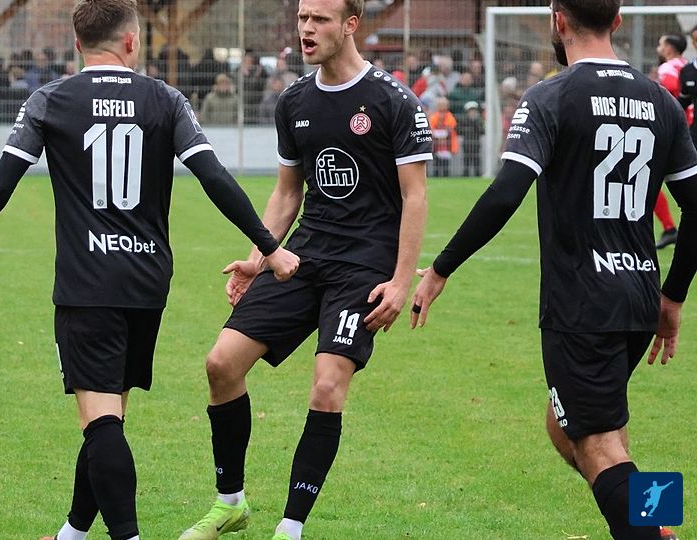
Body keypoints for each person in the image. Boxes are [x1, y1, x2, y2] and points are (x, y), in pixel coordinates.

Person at [0, 2, 300, 540]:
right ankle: (73, 532)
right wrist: (270, 248)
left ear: (78, 44)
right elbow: (214, 177)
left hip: (87, 282)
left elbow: (0, 184)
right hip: (147, 281)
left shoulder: (50, 100)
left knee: (99, 422)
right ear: (131, 42)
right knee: (107, 418)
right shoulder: (166, 100)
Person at [411, 1, 697, 539]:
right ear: (616, 21)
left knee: (598, 445)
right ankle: (654, 527)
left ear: (557, 19)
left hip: (582, 303)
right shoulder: (659, 100)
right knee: (570, 427)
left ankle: (657, 530)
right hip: (638, 294)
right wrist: (673, 295)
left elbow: (505, 194)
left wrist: (441, 268)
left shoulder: (552, 96)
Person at [179, 0, 431, 538]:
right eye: (302, 18)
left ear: (350, 25)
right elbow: (287, 193)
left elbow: (415, 197)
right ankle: (230, 503)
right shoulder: (293, 100)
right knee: (221, 364)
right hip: (304, 256)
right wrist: (257, 258)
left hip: (364, 267)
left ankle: (290, 528)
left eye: (319, 19)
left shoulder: (393, 100)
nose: (307, 29)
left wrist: (400, 280)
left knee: (327, 387)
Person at [653, 33, 687, 248]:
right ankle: (669, 229)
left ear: (668, 48)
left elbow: (669, 96)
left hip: (678, 133)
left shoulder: (667, 69)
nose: (658, 48)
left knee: (647, 177)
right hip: (688, 131)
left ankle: (669, 228)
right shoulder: (687, 65)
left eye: (660, 44)